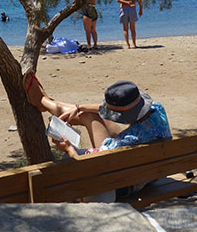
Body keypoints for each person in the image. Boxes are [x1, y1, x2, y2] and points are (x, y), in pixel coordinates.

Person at [24, 74, 171, 201]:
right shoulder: (158, 110)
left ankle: (43, 101)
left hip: (124, 184)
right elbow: (110, 110)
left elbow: (89, 166)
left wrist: (69, 149)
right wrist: (79, 107)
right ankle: (46, 101)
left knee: (88, 118)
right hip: (149, 176)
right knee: (85, 113)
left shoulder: (124, 143)